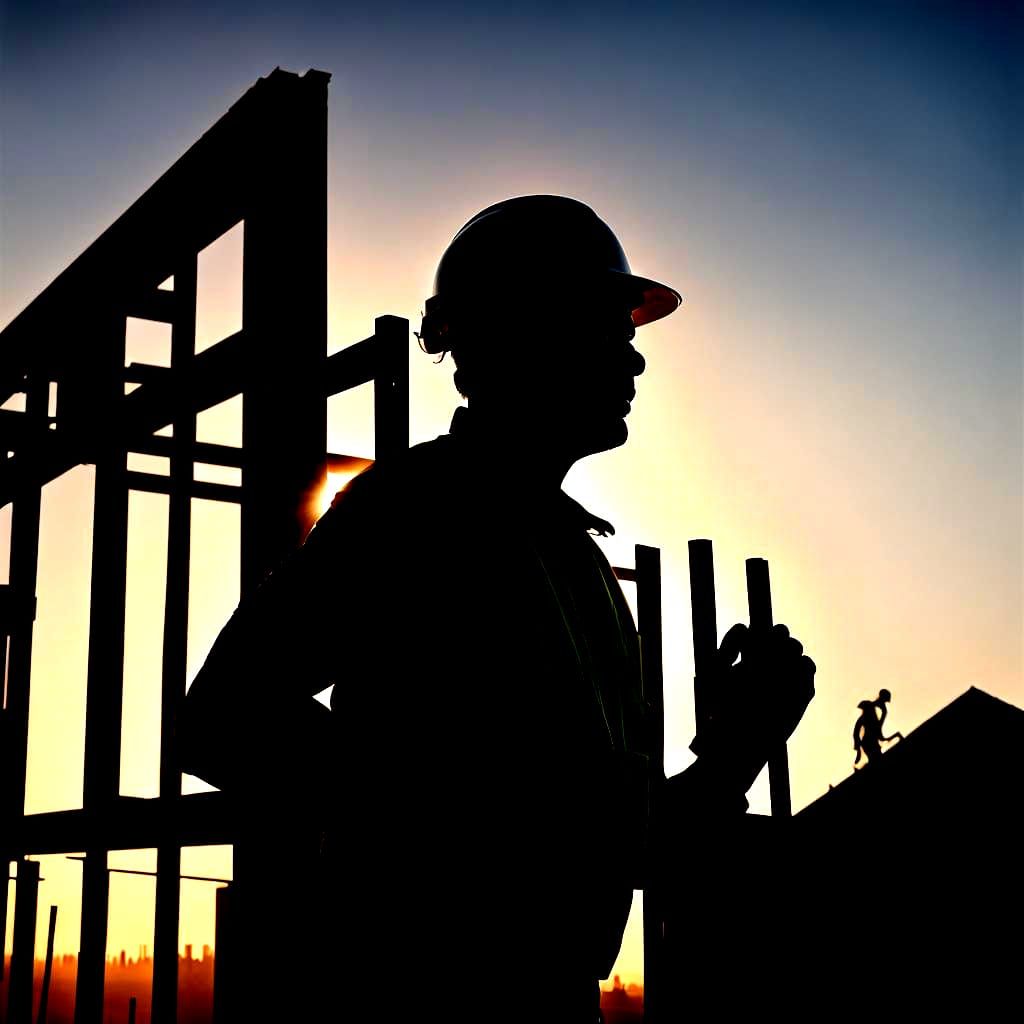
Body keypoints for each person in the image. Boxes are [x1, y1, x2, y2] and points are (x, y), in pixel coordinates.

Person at [179, 195, 815, 1023]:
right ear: (528, 336)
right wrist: (445, 842)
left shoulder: (576, 561)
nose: (636, 364)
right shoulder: (416, 511)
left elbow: (617, 840)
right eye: (610, 333)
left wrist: (738, 751)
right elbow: (222, 718)